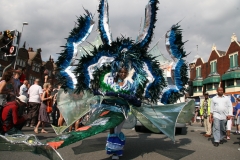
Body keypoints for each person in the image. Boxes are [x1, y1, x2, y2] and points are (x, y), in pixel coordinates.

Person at [106, 67, 129, 160]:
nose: (123, 74)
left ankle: (117, 149)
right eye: (121, 72)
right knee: (113, 129)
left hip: (123, 110)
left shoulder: (129, 83)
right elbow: (108, 93)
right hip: (113, 109)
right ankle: (114, 152)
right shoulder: (113, 82)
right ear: (118, 72)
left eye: (124, 72)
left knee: (118, 130)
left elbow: (132, 96)